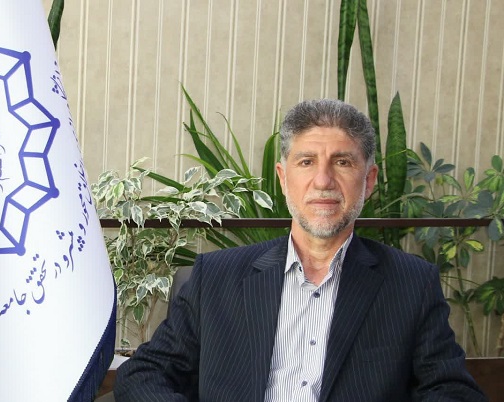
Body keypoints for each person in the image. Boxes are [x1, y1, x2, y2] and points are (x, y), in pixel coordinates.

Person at [114, 99, 486, 402]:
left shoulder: (411, 283)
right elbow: (144, 374)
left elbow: (452, 391)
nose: (323, 181)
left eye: (342, 162)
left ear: (369, 181)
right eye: (307, 162)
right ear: (283, 178)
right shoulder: (216, 277)